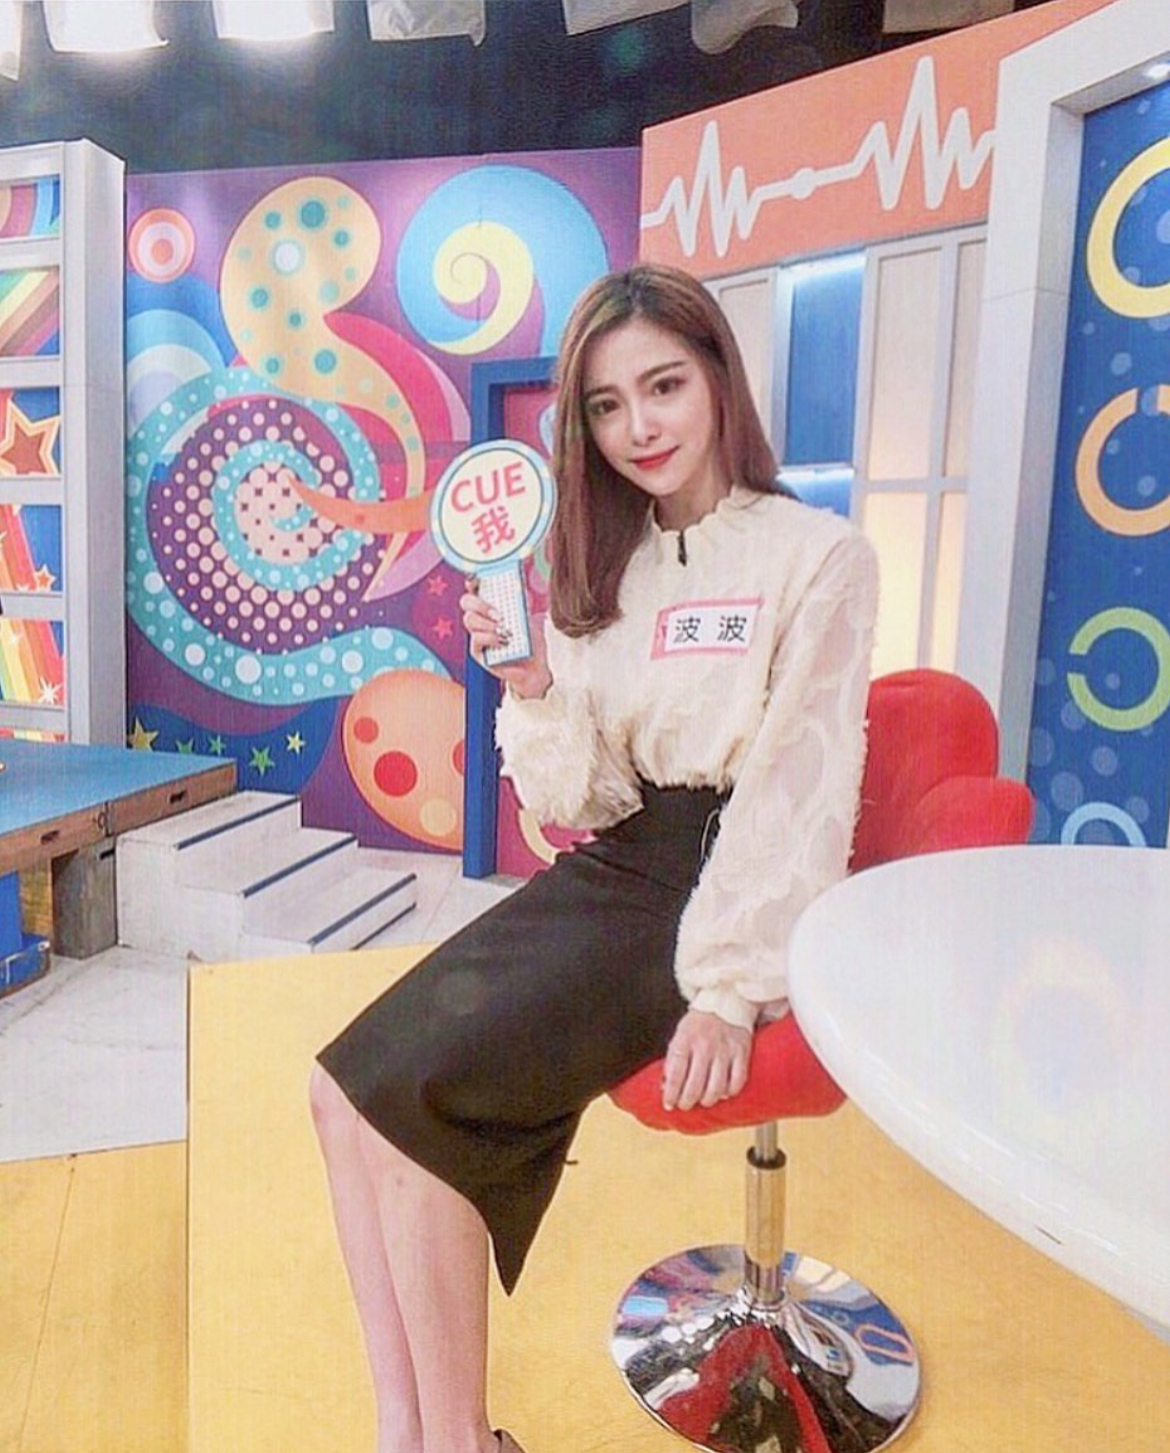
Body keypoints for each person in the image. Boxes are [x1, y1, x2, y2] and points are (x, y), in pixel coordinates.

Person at [309, 262, 878, 1453]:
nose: (640, 428)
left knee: (417, 1110)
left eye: (665, 386)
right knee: (334, 1091)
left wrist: (728, 987)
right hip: (618, 866)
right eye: (608, 406)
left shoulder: (817, 555)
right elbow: (587, 798)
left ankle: (460, 1441)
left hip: (712, 897)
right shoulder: (612, 563)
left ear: (719, 378)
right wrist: (533, 684)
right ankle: (408, 1430)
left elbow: (798, 785)